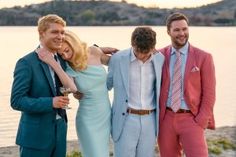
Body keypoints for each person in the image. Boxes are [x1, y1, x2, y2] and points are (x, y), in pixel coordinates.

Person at [37, 30, 112, 157]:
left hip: (105, 115)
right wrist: (54, 63)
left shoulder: (94, 51)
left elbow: (116, 63)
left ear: (73, 44)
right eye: (61, 54)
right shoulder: (68, 66)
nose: (65, 56)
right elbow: (71, 88)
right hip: (87, 119)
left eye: (67, 50)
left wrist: (125, 53)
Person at [10, 14, 69, 157]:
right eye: (55, 32)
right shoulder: (26, 63)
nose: (60, 36)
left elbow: (82, 54)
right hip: (35, 139)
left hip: (60, 135)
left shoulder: (62, 61)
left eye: (62, 32)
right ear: (41, 33)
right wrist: (51, 102)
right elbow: (16, 101)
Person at [158, 12, 216, 157]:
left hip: (191, 119)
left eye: (184, 29)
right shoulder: (159, 56)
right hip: (166, 119)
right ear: (168, 32)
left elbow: (209, 93)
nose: (182, 33)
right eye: (177, 30)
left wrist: (201, 120)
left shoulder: (204, 57)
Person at [107, 26, 164, 157]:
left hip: (150, 120)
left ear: (153, 47)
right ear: (132, 44)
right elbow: (106, 85)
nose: (143, 56)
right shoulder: (118, 59)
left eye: (147, 52)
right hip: (125, 119)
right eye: (139, 51)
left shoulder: (160, 59)